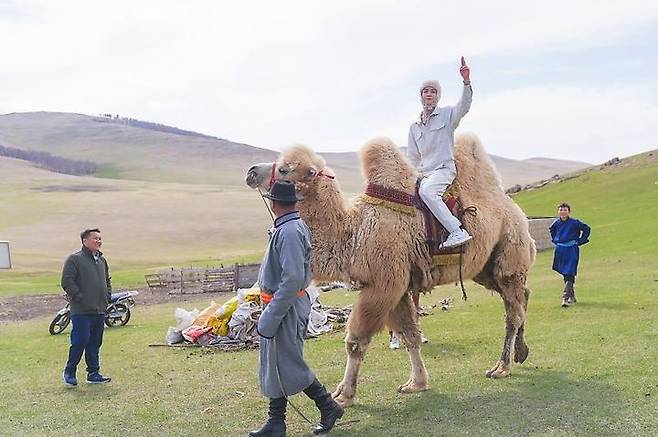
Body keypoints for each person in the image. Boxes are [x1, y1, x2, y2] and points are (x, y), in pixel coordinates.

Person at [250, 180, 343, 437]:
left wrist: (271, 315)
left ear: (274, 203)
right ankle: (276, 422)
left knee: (289, 363)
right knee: (278, 363)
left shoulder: (289, 231)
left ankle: (328, 406)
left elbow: (291, 279)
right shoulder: (290, 227)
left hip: (285, 308)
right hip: (285, 305)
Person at [408, 56, 473, 249]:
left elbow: (465, 106)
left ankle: (457, 231)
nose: (429, 94)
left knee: (427, 192)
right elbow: (412, 157)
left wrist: (466, 82)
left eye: (433, 91)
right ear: (421, 96)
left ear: (438, 96)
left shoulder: (447, 115)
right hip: (424, 173)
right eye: (426, 91)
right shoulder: (414, 126)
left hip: (444, 169)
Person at [61, 228, 112, 387]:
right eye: (95, 238)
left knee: (95, 342)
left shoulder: (102, 260)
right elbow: (67, 281)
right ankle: (69, 372)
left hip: (99, 309)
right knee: (80, 340)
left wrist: (107, 297)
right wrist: (79, 298)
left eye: (100, 238)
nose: (99, 241)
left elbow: (107, 280)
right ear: (85, 241)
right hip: (81, 310)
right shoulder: (75, 259)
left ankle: (93, 373)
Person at [549, 203, 591, 307]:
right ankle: (572, 295)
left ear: (569, 211)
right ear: (558, 212)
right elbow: (552, 231)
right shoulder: (556, 223)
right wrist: (556, 241)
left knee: (570, 271)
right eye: (561, 210)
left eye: (565, 210)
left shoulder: (574, 222)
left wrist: (581, 241)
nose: (563, 212)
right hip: (560, 250)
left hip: (572, 249)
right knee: (565, 272)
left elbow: (586, 228)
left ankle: (565, 297)